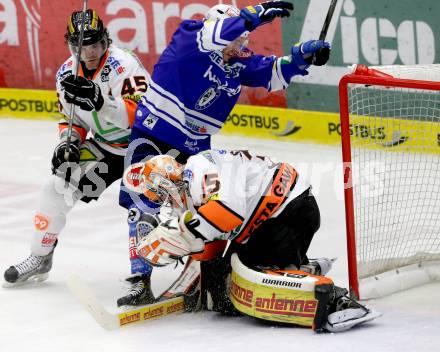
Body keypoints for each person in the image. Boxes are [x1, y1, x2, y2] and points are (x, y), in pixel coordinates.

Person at [119, 1, 332, 306]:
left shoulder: (236, 62)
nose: (239, 48)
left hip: (196, 148)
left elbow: (270, 72)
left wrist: (301, 58)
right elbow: (213, 36)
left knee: (206, 207)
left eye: (243, 42)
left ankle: (206, 277)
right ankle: (139, 281)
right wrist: (251, 18)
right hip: (154, 135)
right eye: (235, 40)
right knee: (142, 206)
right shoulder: (189, 37)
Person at [130, 150, 381, 332]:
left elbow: (229, 211)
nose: (164, 202)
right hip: (271, 221)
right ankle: (299, 267)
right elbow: (211, 244)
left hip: (289, 213)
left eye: (161, 194)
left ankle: (335, 300)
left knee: (248, 286)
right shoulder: (191, 192)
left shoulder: (198, 167)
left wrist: (182, 231)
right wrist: (182, 289)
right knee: (222, 291)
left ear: (168, 180)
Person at [3, 9, 150, 287]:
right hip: (107, 149)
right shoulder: (65, 73)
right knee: (56, 186)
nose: (90, 52)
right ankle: (40, 256)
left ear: (105, 40)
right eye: (81, 46)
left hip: (144, 146)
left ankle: (146, 276)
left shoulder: (124, 64)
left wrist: (100, 102)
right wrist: (68, 144)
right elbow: (72, 121)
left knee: (143, 206)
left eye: (95, 44)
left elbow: (141, 114)